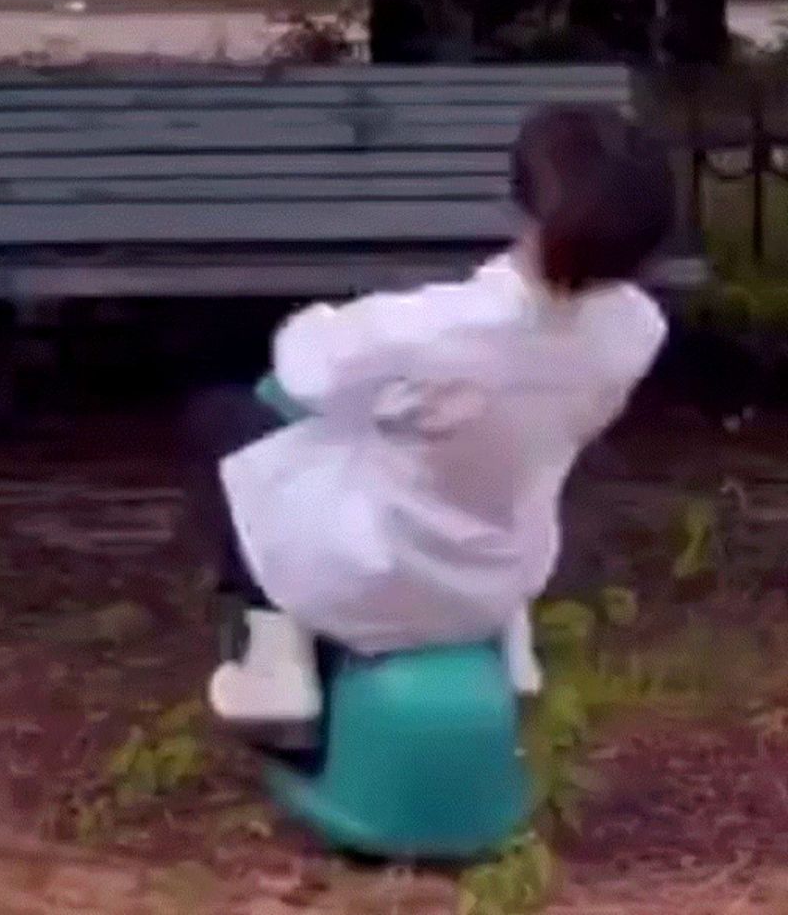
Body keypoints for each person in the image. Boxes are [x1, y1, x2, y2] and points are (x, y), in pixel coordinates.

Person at [205, 104, 676, 732]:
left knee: (223, 422)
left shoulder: (439, 326)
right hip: (499, 577)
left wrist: (328, 327)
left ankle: (274, 650)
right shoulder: (637, 330)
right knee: (484, 456)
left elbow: (303, 368)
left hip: (372, 571)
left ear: (521, 208)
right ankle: (506, 638)